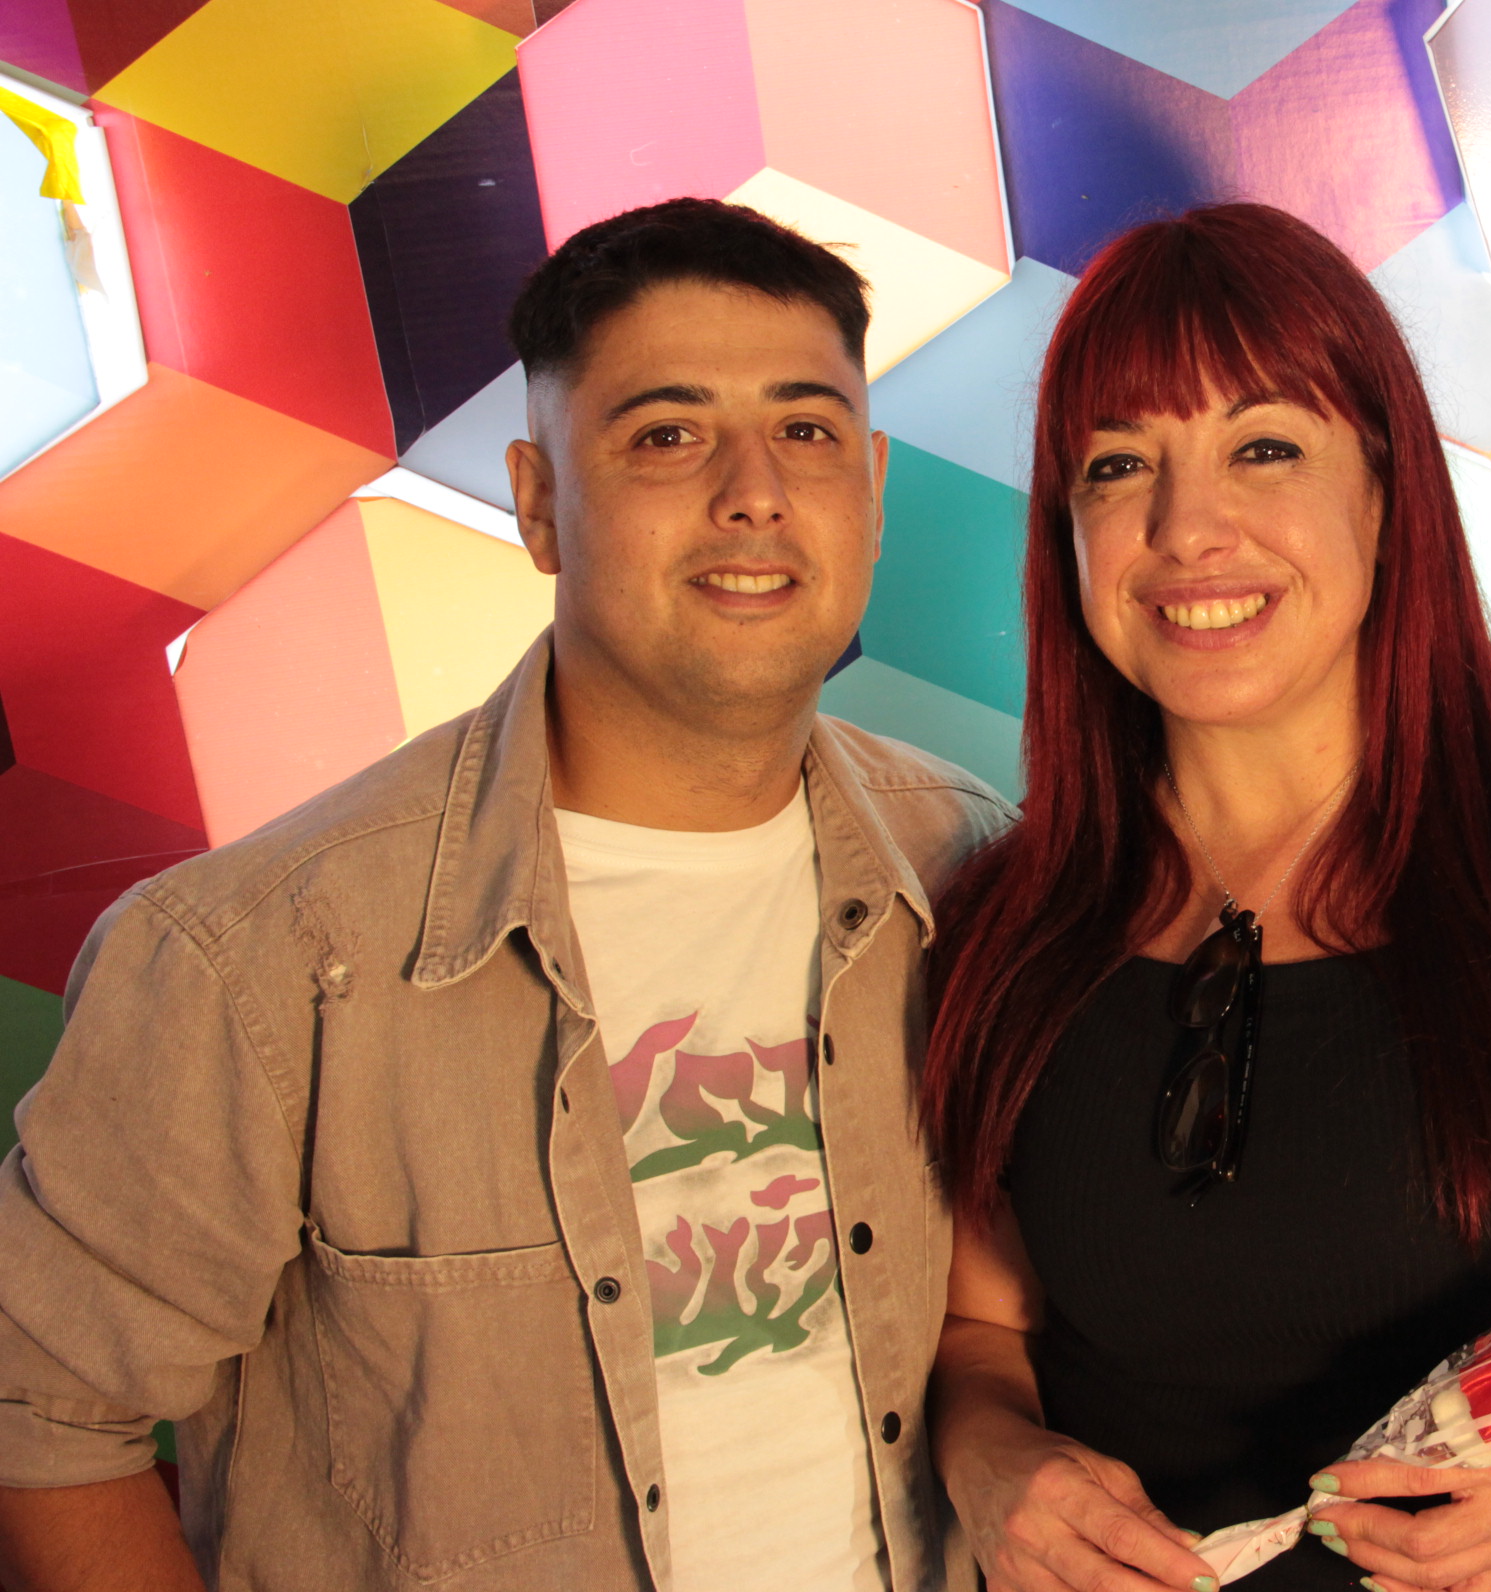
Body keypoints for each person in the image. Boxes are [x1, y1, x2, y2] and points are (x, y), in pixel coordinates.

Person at [0, 198, 1005, 1591]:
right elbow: (44, 1421)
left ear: (873, 490)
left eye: (806, 429)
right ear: (538, 505)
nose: (754, 492)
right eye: (667, 435)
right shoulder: (259, 960)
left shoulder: (978, 869)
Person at [921, 203, 1491, 1592]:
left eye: (1265, 447)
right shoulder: (1004, 920)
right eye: (1120, 466)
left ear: (1387, 489)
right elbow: (983, 1330)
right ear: (1068, 534)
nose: (1187, 528)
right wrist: (990, 1461)